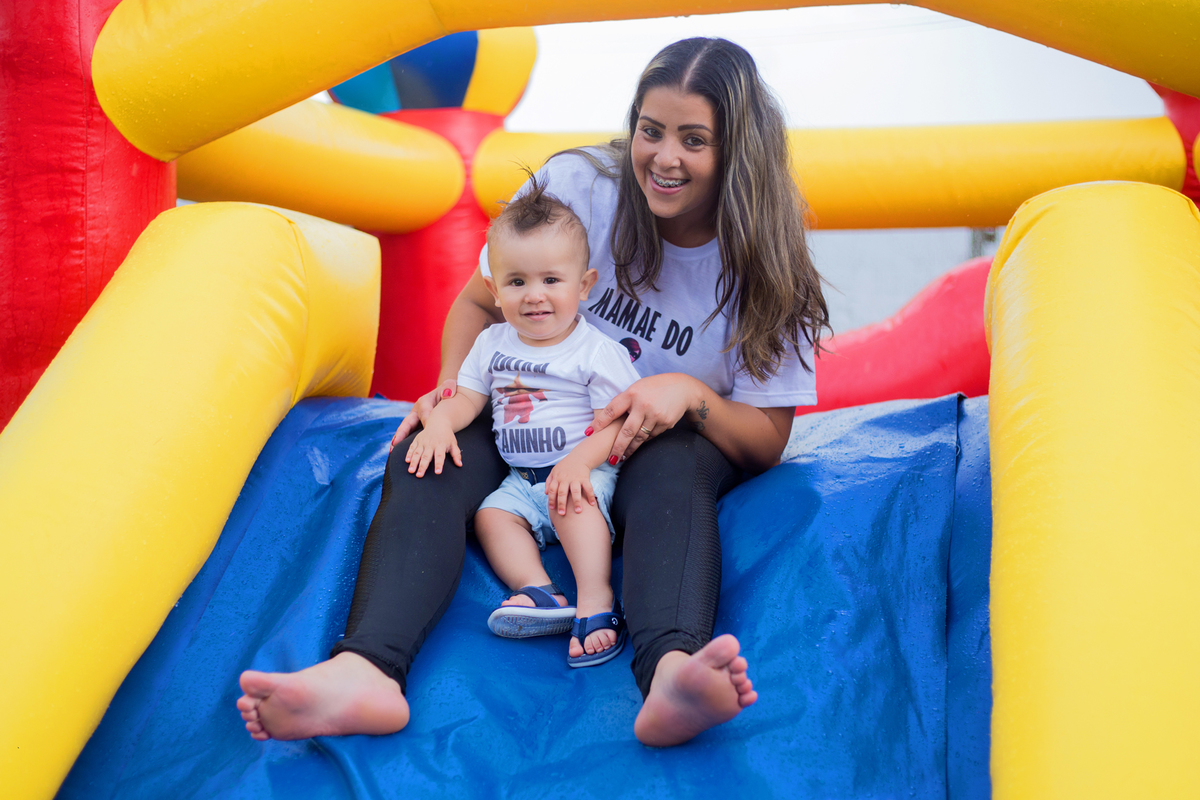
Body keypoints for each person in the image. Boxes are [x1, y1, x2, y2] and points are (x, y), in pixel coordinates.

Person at [237, 36, 830, 747]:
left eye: (694, 140)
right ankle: (368, 670)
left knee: (671, 460)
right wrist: (450, 394)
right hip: (530, 411)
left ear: (737, 150)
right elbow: (478, 304)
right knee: (431, 453)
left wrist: (687, 395)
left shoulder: (766, 262)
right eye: (650, 131)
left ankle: (672, 670)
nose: (663, 158)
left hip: (653, 441)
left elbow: (767, 438)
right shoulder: (582, 188)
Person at [404, 176, 641, 666]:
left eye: (551, 281)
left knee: (570, 505)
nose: (534, 296)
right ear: (493, 288)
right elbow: (467, 396)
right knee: (492, 516)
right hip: (521, 479)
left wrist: (579, 463)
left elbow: (621, 423)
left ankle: (596, 599)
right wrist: (442, 422)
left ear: (585, 285)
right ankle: (539, 591)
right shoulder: (493, 344)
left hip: (583, 470)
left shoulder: (596, 351)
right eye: (517, 282)